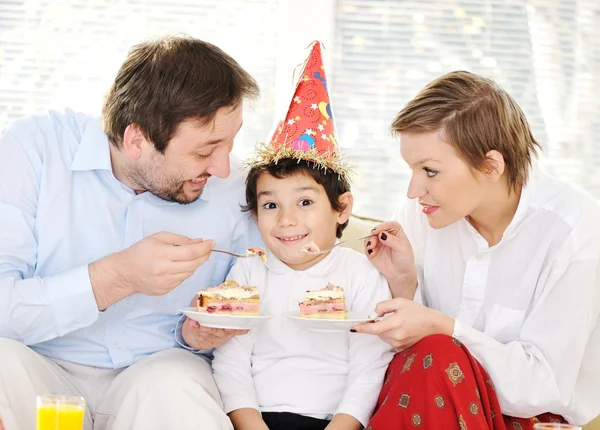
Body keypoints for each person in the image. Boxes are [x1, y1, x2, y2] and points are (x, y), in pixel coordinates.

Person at [0, 35, 261, 430]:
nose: (223, 167)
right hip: (39, 367)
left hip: (159, 372)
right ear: (136, 140)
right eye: (205, 150)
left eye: (230, 142)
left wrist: (199, 333)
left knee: (175, 385)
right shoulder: (34, 150)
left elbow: (278, 286)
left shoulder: (236, 187)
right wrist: (115, 277)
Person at [352, 71, 600, 429]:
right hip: (426, 407)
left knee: (437, 353)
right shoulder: (421, 213)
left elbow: (542, 387)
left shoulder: (576, 229)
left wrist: (443, 327)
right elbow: (397, 361)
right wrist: (403, 284)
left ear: (491, 166)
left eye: (430, 171)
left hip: (533, 417)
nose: (412, 190)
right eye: (412, 169)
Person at [195, 42, 394, 430]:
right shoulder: (251, 273)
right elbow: (232, 363)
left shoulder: (360, 273)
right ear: (255, 214)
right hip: (257, 421)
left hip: (335, 422)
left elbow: (371, 366)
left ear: (342, 208)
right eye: (271, 206)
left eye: (304, 202)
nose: (286, 220)